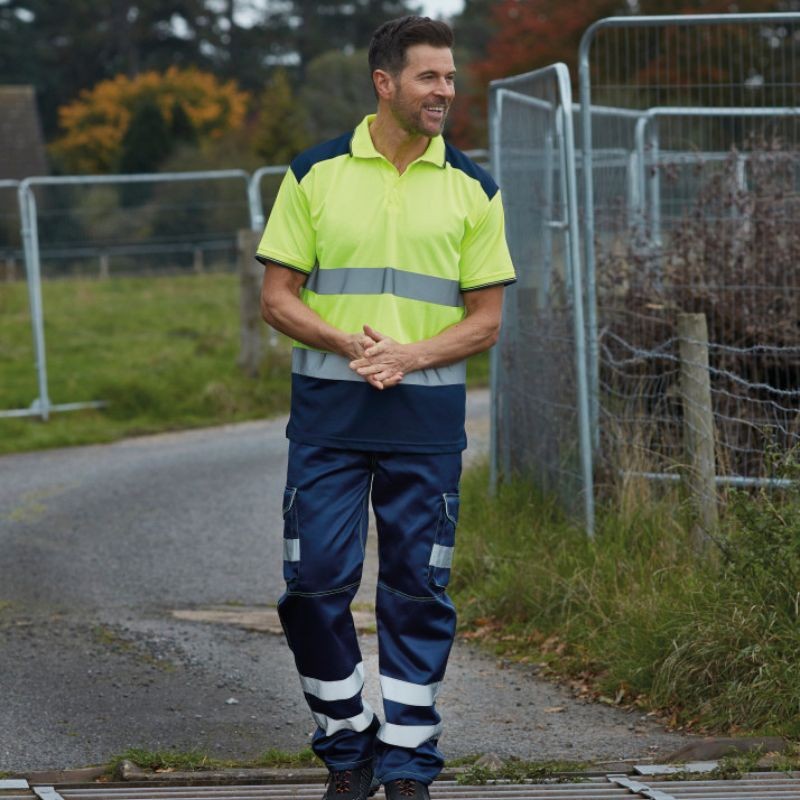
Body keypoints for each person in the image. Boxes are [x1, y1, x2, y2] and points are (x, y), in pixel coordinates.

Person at [256, 15, 515, 800]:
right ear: (385, 82)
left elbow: (487, 319)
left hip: (427, 430)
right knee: (311, 589)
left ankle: (406, 766)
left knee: (415, 593)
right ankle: (347, 745)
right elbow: (276, 298)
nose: (446, 91)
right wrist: (349, 344)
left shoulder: (475, 188)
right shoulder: (314, 174)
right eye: (429, 77)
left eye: (449, 77)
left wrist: (408, 354)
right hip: (329, 424)